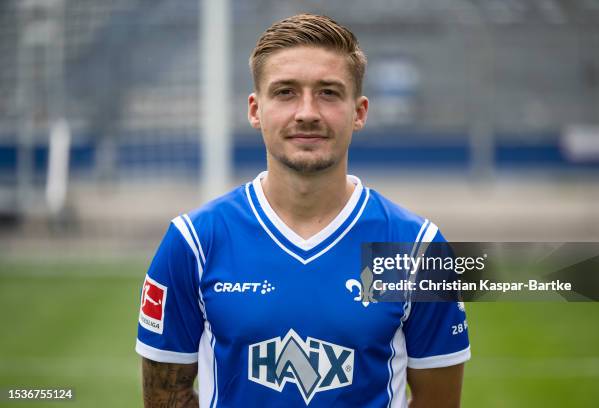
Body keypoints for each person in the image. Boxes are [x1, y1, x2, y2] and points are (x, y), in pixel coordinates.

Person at [136, 13, 470, 407]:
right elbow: (166, 397)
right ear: (255, 109)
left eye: (328, 92)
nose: (307, 112)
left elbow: (438, 401)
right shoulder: (194, 243)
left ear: (359, 112)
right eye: (285, 92)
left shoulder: (417, 249)